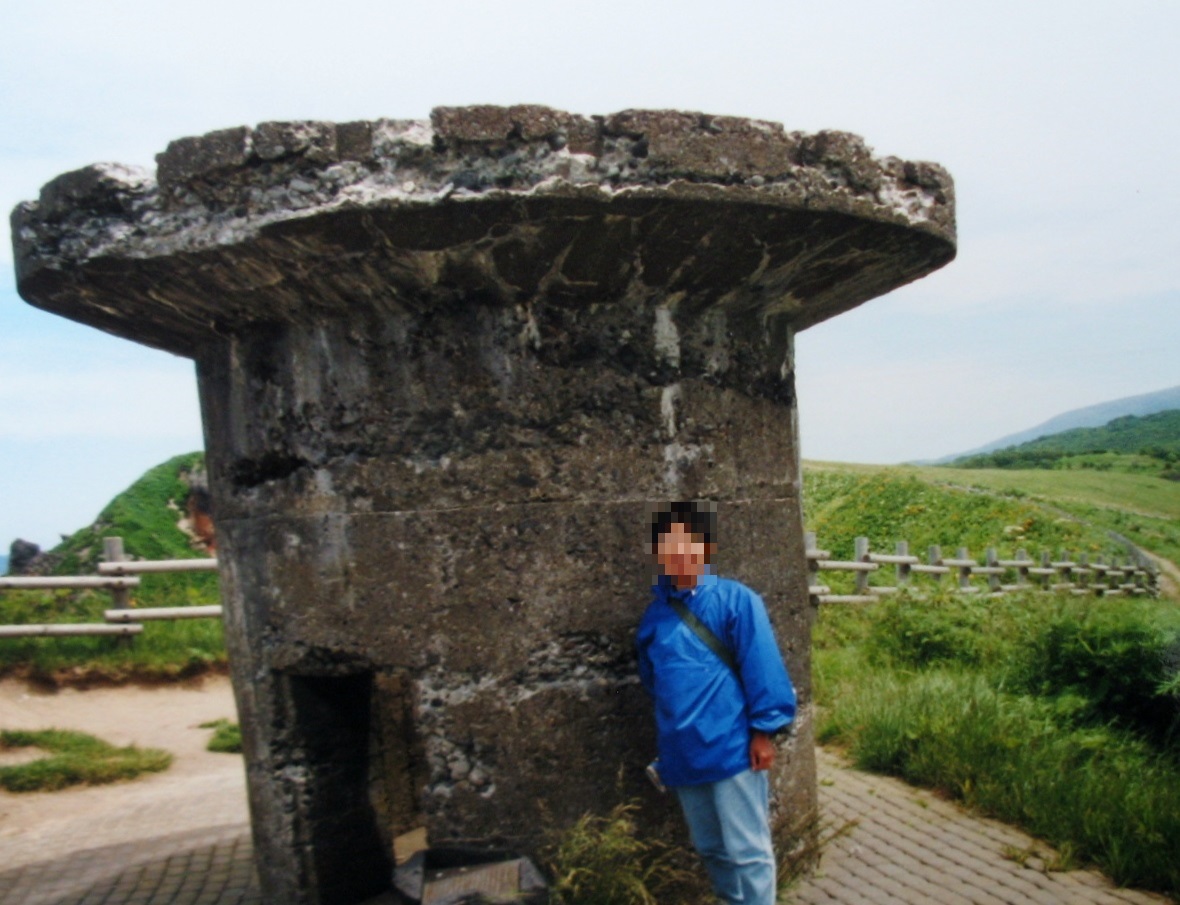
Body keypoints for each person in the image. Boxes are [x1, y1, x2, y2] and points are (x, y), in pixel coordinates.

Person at [637, 501, 796, 905]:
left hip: (732, 748)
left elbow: (763, 667)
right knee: (710, 848)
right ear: (658, 552)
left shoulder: (736, 600)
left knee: (748, 851)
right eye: (669, 545)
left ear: (706, 547)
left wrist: (763, 733)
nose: (679, 553)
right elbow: (655, 681)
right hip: (683, 753)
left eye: (688, 542)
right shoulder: (656, 616)